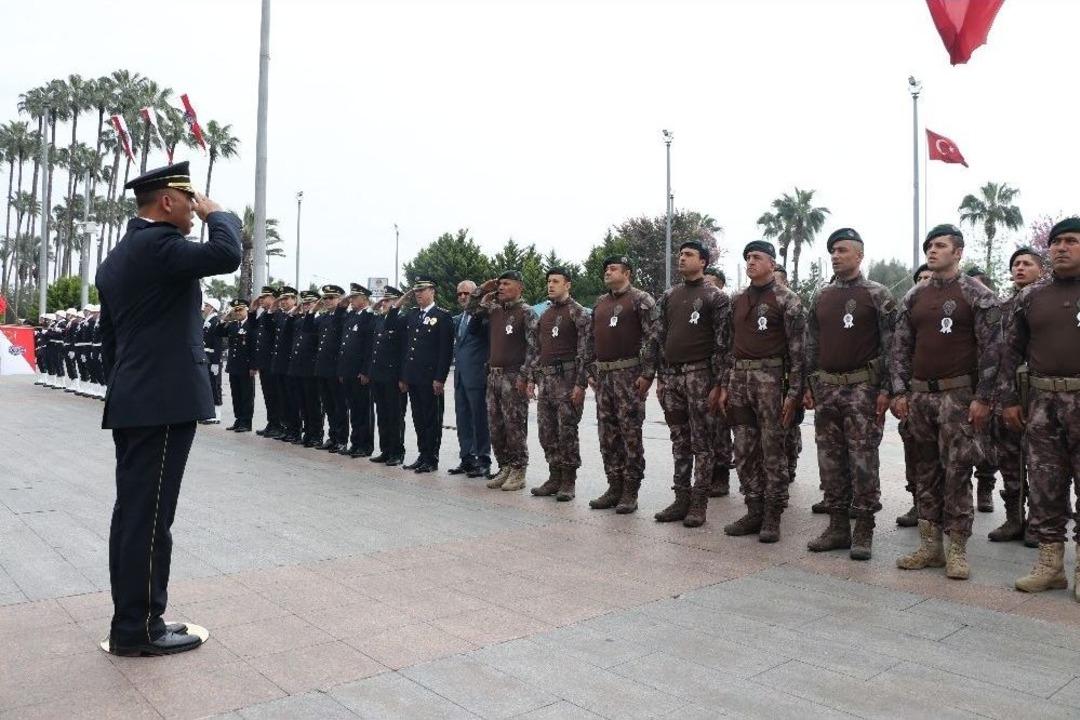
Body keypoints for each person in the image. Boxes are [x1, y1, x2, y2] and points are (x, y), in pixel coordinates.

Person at [94, 162, 241, 655]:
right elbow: (226, 254)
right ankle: (139, 630)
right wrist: (222, 214)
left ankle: (136, 619)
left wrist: (128, 388)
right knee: (151, 518)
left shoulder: (119, 257)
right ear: (168, 202)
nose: (197, 209)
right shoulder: (158, 246)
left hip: (137, 399)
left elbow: (111, 341)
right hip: (158, 403)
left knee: (135, 516)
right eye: (191, 199)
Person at [891, 224, 1000, 581]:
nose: (932, 251)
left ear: (958, 251)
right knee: (925, 471)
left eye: (940, 245)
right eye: (929, 246)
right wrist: (899, 391)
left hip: (958, 395)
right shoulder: (914, 296)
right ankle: (929, 546)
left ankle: (957, 549)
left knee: (957, 472)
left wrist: (984, 398)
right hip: (920, 395)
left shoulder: (977, 294)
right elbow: (901, 347)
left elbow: (992, 350)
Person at [803, 228, 895, 561]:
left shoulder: (878, 294)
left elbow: (892, 346)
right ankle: (837, 526)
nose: (836, 255)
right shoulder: (821, 295)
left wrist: (887, 389)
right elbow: (810, 344)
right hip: (827, 387)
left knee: (862, 460)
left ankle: (864, 528)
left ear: (859, 255)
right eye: (832, 251)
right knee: (829, 459)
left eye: (842, 250)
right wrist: (809, 386)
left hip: (862, 388)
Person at [1002, 219, 1080, 599]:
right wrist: (1010, 400)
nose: (1062, 248)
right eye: (1056, 242)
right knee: (1045, 487)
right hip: (1042, 402)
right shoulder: (1031, 296)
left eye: (1071, 241)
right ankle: (1051, 566)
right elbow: (1011, 350)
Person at [720, 241, 805, 542]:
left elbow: (798, 351)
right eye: (747, 257)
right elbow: (727, 346)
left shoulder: (787, 300)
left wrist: (794, 392)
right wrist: (724, 385)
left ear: (772, 262)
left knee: (772, 450)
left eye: (757, 257)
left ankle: (772, 515)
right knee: (743, 449)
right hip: (739, 378)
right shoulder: (736, 300)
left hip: (771, 379)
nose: (750, 262)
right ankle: (753, 508)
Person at [651, 240, 731, 528]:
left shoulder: (716, 297)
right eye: (681, 254)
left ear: (704, 262)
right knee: (679, 440)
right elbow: (658, 338)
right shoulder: (669, 296)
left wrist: (720, 384)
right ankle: (680, 498)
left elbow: (724, 345)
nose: (682, 258)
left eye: (689, 255)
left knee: (702, 442)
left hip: (700, 376)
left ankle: (699, 503)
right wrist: (658, 377)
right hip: (671, 376)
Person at [585, 255, 659, 514]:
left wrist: (648, 373)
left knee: (630, 433)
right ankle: (613, 485)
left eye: (613, 268)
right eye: (606, 268)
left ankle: (630, 490)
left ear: (627, 273)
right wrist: (589, 369)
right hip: (604, 377)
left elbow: (653, 337)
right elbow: (590, 339)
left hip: (629, 374)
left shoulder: (641, 300)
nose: (607, 271)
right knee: (607, 435)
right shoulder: (601, 303)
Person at [988, 247, 1043, 545]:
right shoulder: (1001, 307)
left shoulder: (1046, 301)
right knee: (1009, 459)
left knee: (1041, 461)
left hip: (1041, 395)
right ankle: (1013, 518)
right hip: (1005, 394)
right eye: (1016, 264)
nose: (1020, 268)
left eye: (1027, 263)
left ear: (1041, 269)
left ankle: (1038, 520)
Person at [467, 271, 539, 491]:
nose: (501, 287)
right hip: (494, 375)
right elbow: (471, 310)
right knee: (496, 425)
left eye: (506, 284)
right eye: (499, 284)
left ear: (520, 287)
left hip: (513, 376)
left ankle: (519, 469)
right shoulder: (495, 310)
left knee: (514, 425)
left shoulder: (526, 313)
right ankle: (504, 466)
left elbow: (534, 348)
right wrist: (482, 289)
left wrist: (525, 376)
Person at [530, 267, 591, 501]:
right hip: (545, 380)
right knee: (546, 432)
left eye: (556, 281)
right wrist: (532, 379)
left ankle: (568, 481)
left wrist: (580, 384)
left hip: (567, 379)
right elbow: (536, 349)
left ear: (568, 285)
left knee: (567, 431)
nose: (550, 285)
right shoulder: (544, 315)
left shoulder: (578, 312)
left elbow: (585, 351)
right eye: (548, 281)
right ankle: (553, 476)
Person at [398, 278, 454, 473]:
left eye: (422, 290)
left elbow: (445, 351)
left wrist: (440, 378)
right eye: (416, 291)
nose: (418, 294)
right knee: (418, 418)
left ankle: (432, 458)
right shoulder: (413, 315)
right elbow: (407, 349)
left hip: (431, 379)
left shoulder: (442, 316)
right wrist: (404, 377)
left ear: (432, 291)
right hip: (413, 378)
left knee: (432, 419)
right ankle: (422, 455)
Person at [896, 264, 934, 527]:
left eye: (928, 277)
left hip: (948, 395)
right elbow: (898, 352)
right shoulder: (909, 312)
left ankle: (942, 509)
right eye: (919, 278)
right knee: (915, 454)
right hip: (914, 396)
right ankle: (917, 503)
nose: (923, 282)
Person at [450, 280, 492, 478]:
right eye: (459, 294)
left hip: (477, 377)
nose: (462, 297)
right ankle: (466, 458)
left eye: (466, 293)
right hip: (460, 377)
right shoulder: (458, 319)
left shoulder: (483, 318)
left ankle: (483, 459)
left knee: (479, 420)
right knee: (463, 420)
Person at [368, 287, 408, 465]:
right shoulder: (379, 320)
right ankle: (385, 450)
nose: (384, 303)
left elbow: (404, 352)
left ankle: (397, 452)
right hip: (378, 376)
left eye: (388, 300)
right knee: (383, 415)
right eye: (383, 300)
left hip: (393, 378)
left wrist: (402, 377)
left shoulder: (401, 320)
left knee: (395, 416)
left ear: (398, 302)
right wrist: (373, 307)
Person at [703, 266, 734, 496]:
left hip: (720, 372)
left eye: (712, 282)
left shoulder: (727, 307)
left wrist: (723, 381)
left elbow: (728, 346)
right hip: (697, 373)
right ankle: (705, 473)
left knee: (719, 427)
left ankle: (721, 475)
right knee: (701, 428)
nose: (708, 286)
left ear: (721, 285)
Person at [772, 264, 804, 488]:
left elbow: (801, 347)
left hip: (788, 372)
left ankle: (789, 464)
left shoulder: (793, 306)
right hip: (769, 377)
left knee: (790, 425)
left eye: (778, 281)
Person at [308, 285, 350, 452]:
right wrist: (312, 311)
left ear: (340, 300)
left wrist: (341, 308)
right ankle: (332, 437)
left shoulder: (344, 317)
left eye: (331, 298)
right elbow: (308, 328)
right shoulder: (323, 318)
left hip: (335, 369)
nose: (327, 301)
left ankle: (341, 439)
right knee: (328, 406)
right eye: (325, 298)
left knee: (339, 406)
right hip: (322, 368)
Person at [338, 283, 376, 457]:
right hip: (348, 371)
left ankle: (365, 445)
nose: (351, 300)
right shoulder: (351, 316)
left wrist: (366, 371)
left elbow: (369, 347)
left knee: (363, 410)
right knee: (353, 409)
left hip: (360, 373)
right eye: (351, 297)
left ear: (364, 299)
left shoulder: (369, 317)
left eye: (354, 297)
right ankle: (355, 443)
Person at [289, 290, 323, 446]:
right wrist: (293, 312)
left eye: (309, 303)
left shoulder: (319, 320)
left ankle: (316, 434)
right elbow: (286, 331)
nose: (306, 306)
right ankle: (307, 432)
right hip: (298, 367)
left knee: (313, 403)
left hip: (311, 368)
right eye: (304, 303)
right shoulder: (300, 321)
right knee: (302, 403)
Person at [216, 299, 254, 432]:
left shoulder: (251, 324)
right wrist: (226, 317)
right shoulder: (232, 325)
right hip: (233, 365)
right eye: (236, 310)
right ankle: (238, 419)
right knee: (236, 394)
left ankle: (246, 422)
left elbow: (253, 347)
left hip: (246, 365)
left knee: (246, 395)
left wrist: (253, 366)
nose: (238, 312)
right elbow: (219, 332)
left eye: (240, 309)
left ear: (247, 310)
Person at [269, 287, 301, 442]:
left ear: (295, 299)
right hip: (280, 364)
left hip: (291, 364)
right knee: (283, 399)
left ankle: (295, 430)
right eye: (282, 299)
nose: (283, 302)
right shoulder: (281, 315)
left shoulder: (298, 315)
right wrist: (274, 306)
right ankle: (287, 427)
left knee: (293, 399)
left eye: (287, 299)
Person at [248, 287, 281, 437]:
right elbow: (252, 328)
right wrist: (252, 311)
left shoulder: (278, 314)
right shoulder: (263, 315)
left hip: (273, 362)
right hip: (264, 363)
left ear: (274, 298)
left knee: (275, 395)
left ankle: (278, 424)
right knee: (268, 395)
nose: (261, 300)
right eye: (260, 297)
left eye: (265, 297)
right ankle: (272, 423)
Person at [201, 302, 223, 424]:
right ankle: (209, 413)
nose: (205, 308)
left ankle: (217, 414)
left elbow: (218, 344)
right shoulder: (207, 321)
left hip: (212, 358)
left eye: (207, 306)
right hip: (206, 357)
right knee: (208, 386)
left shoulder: (216, 322)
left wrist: (216, 362)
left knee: (215, 386)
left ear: (213, 308)